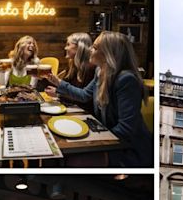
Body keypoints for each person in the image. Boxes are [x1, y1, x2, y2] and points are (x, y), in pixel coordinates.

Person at [43, 31, 152, 167]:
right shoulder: (100, 71)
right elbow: (84, 95)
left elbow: (126, 128)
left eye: (94, 47)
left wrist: (93, 140)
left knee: (72, 160)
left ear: (108, 53)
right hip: (109, 139)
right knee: (58, 151)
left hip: (128, 149)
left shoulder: (126, 79)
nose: (89, 49)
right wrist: (58, 82)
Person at [44, 32, 96, 112]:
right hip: (74, 108)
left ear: (79, 47)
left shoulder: (91, 68)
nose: (65, 48)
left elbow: (84, 99)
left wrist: (59, 92)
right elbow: (67, 90)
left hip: (84, 113)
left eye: (68, 45)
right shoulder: (72, 65)